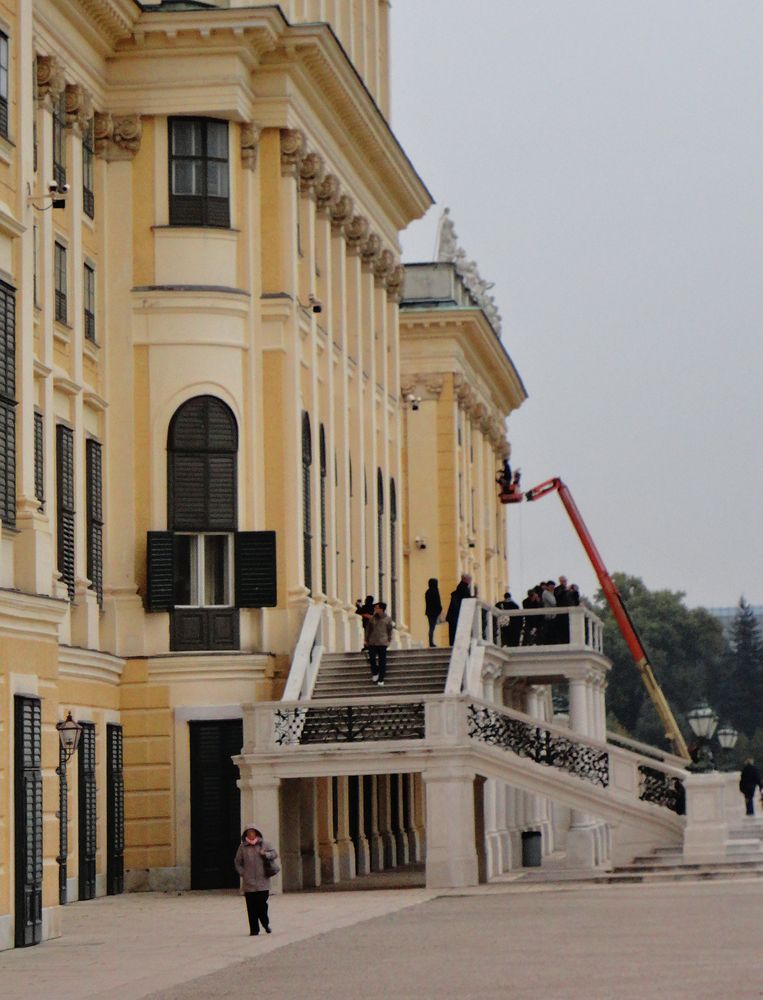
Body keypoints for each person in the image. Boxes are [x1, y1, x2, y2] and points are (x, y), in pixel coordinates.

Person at [234, 827, 279, 936]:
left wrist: (266, 854)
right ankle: (254, 929)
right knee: (251, 907)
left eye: (252, 832)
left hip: (263, 881)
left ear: (257, 833)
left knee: (262, 905)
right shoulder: (242, 847)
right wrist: (242, 873)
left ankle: (265, 923)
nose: (251, 834)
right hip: (249, 883)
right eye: (249, 833)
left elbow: (275, 854)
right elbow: (237, 862)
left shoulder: (265, 844)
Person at [365, 601, 393, 685]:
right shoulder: (372, 618)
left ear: (381, 609)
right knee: (372, 659)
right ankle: (375, 672)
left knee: (382, 661)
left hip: (382, 642)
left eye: (376, 608)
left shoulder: (387, 619)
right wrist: (366, 639)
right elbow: (368, 629)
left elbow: (390, 631)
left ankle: (381, 679)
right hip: (372, 642)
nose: (375, 609)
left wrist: (389, 641)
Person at [446, 573, 472, 644]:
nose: (470, 581)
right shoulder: (463, 587)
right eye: (470, 579)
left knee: (453, 632)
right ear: (465, 579)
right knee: (455, 632)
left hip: (453, 614)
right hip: (456, 614)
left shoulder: (461, 586)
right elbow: (466, 598)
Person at [424, 579, 442, 647]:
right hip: (434, 612)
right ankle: (431, 642)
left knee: (431, 627)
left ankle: (430, 641)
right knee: (432, 627)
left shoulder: (427, 592)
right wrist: (440, 609)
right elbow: (438, 602)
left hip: (429, 612)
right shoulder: (435, 591)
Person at [554, 575, 570, 644]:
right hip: (561, 612)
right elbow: (558, 597)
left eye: (565, 581)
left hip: (568, 612)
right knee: (562, 628)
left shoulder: (567, 590)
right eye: (564, 581)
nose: (565, 582)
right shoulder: (558, 589)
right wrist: (564, 591)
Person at [541, 580, 557, 644]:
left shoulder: (551, 593)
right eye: (551, 586)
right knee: (549, 630)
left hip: (553, 615)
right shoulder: (546, 593)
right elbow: (553, 602)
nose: (552, 588)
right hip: (549, 615)